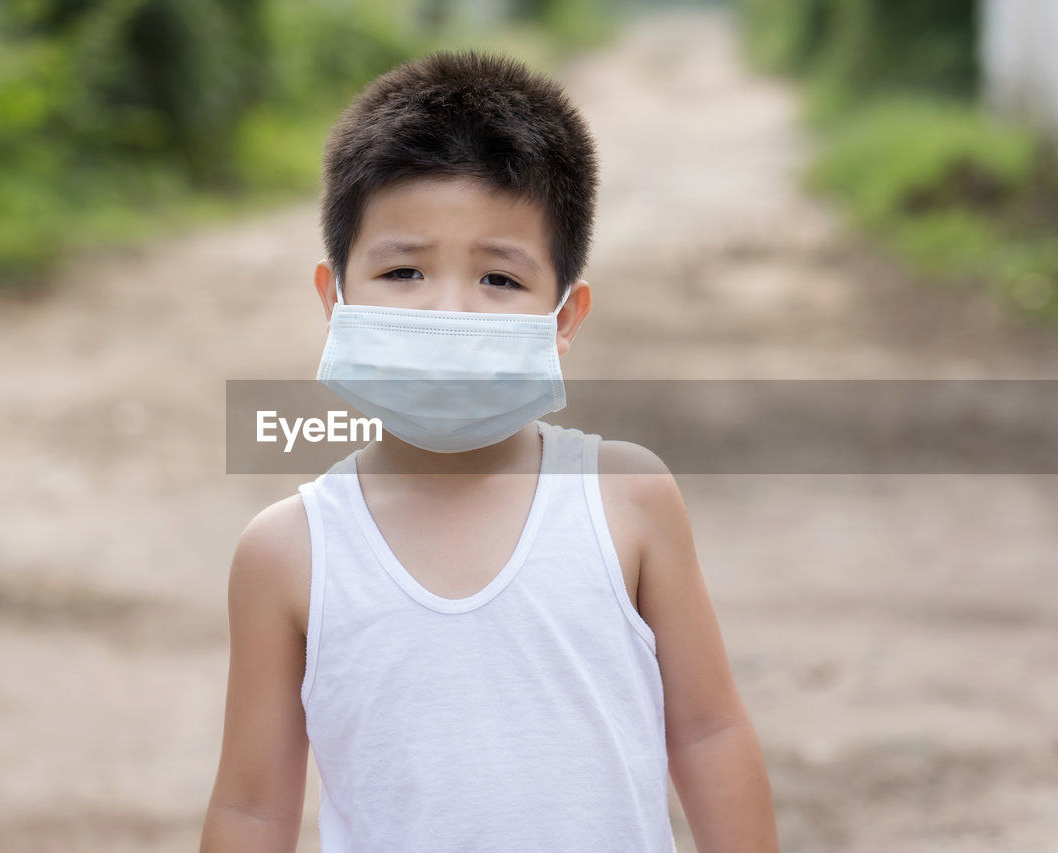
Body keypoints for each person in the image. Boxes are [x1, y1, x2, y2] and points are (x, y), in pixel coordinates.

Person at [199, 49, 778, 853]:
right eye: (403, 270)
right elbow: (252, 809)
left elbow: (710, 734)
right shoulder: (288, 551)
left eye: (499, 280)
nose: (448, 310)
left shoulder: (630, 499)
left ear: (564, 317)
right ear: (335, 298)